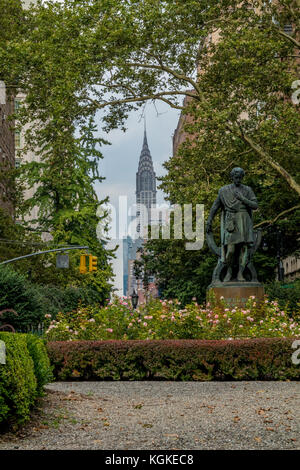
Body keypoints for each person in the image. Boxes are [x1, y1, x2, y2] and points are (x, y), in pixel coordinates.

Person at [206, 167, 258, 282]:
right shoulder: (224, 190)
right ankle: (229, 271)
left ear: (242, 177)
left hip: (244, 220)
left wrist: (243, 199)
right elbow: (215, 206)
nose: (238, 179)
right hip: (231, 221)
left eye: (240, 177)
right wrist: (209, 220)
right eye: (236, 177)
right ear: (232, 177)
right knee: (231, 250)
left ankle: (240, 273)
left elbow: (255, 205)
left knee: (244, 250)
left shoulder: (247, 190)